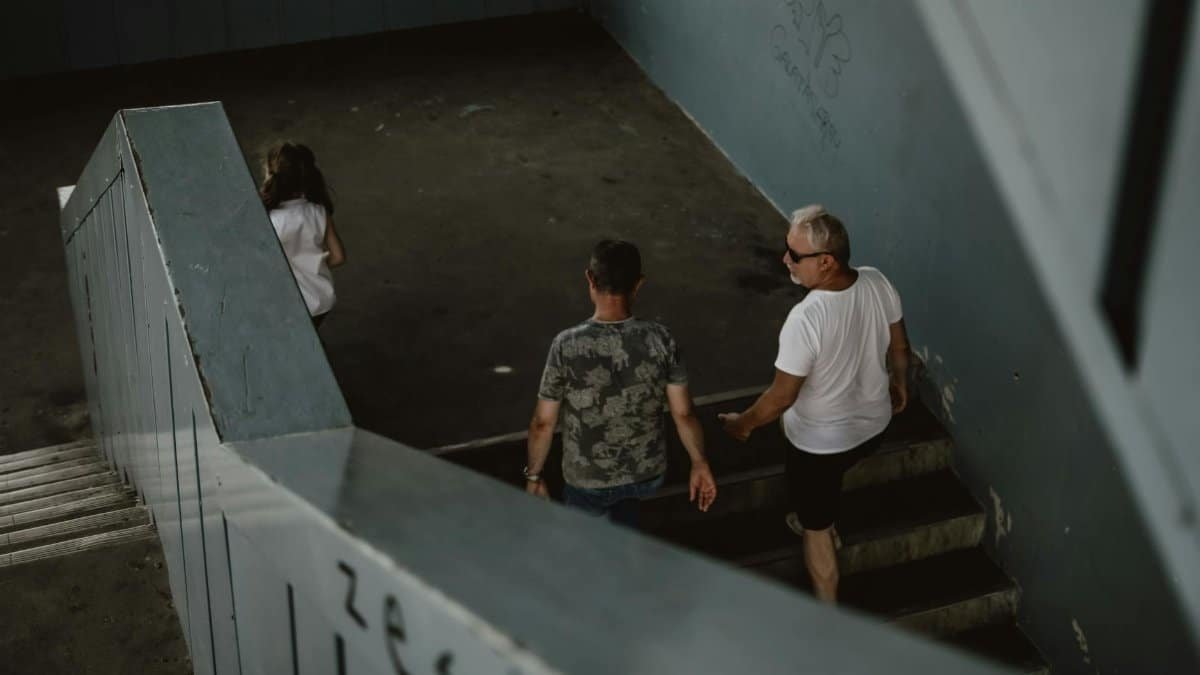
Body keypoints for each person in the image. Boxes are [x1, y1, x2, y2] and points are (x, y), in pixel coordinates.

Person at [719, 205, 909, 603]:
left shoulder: (806, 318)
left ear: (826, 262)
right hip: (873, 428)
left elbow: (781, 396)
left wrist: (743, 424)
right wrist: (901, 383)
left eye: (794, 255)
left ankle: (827, 609)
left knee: (815, 524)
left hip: (818, 448)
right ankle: (817, 508)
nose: (784, 260)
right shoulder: (877, 281)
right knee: (826, 483)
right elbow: (899, 344)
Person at [525, 240, 717, 526]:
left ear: (590, 279)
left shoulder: (567, 345)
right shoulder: (661, 338)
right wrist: (700, 463)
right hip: (647, 474)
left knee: (589, 540)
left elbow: (543, 423)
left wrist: (534, 476)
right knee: (627, 511)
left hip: (589, 480)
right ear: (638, 284)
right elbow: (684, 414)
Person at [260, 142, 346, 327]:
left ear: (269, 174)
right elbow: (338, 257)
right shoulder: (318, 211)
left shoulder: (269, 220)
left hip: (289, 304)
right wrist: (311, 264)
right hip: (321, 300)